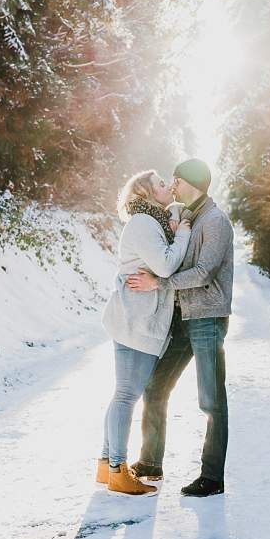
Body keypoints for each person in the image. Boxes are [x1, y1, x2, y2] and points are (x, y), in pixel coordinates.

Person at [126, 158, 234, 497]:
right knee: (155, 387)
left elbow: (203, 273)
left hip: (207, 319)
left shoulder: (215, 220)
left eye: (176, 180)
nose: (172, 186)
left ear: (194, 183)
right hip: (183, 318)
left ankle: (212, 477)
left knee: (211, 400)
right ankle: (150, 463)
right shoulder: (190, 216)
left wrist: (160, 282)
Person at [98, 169, 192, 495]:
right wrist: (183, 234)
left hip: (135, 318)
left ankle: (106, 463)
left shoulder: (150, 223)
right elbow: (166, 266)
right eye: (161, 184)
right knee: (127, 395)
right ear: (148, 194)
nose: (168, 187)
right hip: (136, 320)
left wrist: (172, 229)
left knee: (122, 393)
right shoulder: (143, 224)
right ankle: (118, 471)